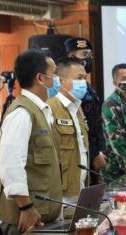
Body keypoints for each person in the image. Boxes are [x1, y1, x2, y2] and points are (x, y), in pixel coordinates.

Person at [0, 49, 62, 234]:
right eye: (54, 73)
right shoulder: (22, 113)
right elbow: (10, 164)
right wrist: (26, 207)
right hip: (25, 220)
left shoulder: (41, 110)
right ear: (40, 78)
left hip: (41, 216)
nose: (58, 79)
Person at [47, 57, 89, 207]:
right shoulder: (50, 108)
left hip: (81, 191)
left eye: (85, 78)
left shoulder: (78, 109)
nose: (84, 82)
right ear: (61, 80)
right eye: (79, 78)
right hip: (61, 197)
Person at [65, 37, 107, 185]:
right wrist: (95, 153)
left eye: (90, 54)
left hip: (95, 153)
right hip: (82, 154)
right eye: (84, 54)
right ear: (71, 57)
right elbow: (81, 126)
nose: (88, 59)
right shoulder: (71, 90)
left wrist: (102, 150)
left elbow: (97, 123)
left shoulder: (88, 87)